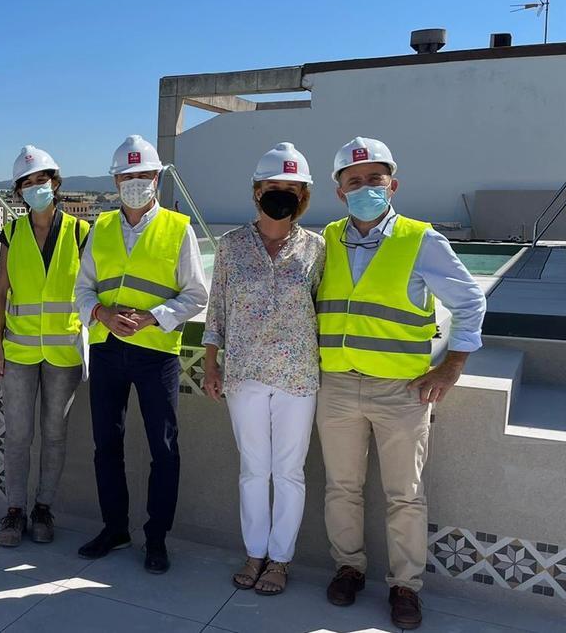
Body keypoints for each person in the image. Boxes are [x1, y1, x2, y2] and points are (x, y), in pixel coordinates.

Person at [317, 137, 486, 630]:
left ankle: (405, 587)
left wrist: (451, 366)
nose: (365, 187)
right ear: (339, 191)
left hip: (402, 391)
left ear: (393, 184)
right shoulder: (326, 237)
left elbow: (470, 302)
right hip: (338, 386)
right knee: (341, 487)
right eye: (354, 181)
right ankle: (348, 568)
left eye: (375, 179)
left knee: (404, 494)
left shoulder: (421, 238)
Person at [74, 135, 208, 574]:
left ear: (157, 178)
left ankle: (156, 538)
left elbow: (196, 295)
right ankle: (115, 529)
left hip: (156, 353)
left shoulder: (177, 227)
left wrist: (154, 317)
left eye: (143, 175)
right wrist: (101, 313)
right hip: (109, 349)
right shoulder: (103, 227)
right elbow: (82, 287)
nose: (135, 182)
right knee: (105, 445)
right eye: (127, 176)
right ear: (115, 180)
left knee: (163, 449)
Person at [201, 143, 325, 595]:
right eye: (274, 187)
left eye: (292, 189)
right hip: (244, 375)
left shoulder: (318, 249)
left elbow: (324, 311)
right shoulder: (231, 247)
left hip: (298, 377)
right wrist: (211, 367)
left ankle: (280, 560)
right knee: (253, 470)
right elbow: (217, 314)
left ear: (304, 196)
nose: (283, 195)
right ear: (257, 191)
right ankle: (255, 552)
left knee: (289, 472)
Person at [0, 145, 89, 547]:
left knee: (54, 434)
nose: (36, 187)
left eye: (41, 179)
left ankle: (43, 507)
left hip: (63, 353)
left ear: (55, 182)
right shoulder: (12, 231)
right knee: (16, 434)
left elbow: (91, 291)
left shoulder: (82, 232)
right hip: (19, 352)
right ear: (19, 191)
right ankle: (14, 510)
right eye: (27, 183)